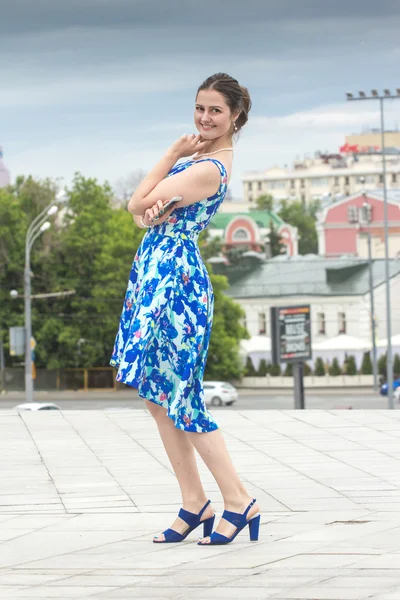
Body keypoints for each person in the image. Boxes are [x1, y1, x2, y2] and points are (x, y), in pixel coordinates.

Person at [110, 73, 260, 545]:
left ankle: (238, 499)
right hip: (156, 274)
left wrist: (172, 155)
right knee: (158, 399)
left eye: (215, 110)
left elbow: (136, 199)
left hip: (176, 284)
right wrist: (150, 210)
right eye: (199, 107)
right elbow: (141, 214)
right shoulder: (202, 161)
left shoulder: (206, 166)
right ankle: (195, 501)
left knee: (180, 396)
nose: (204, 117)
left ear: (235, 115)